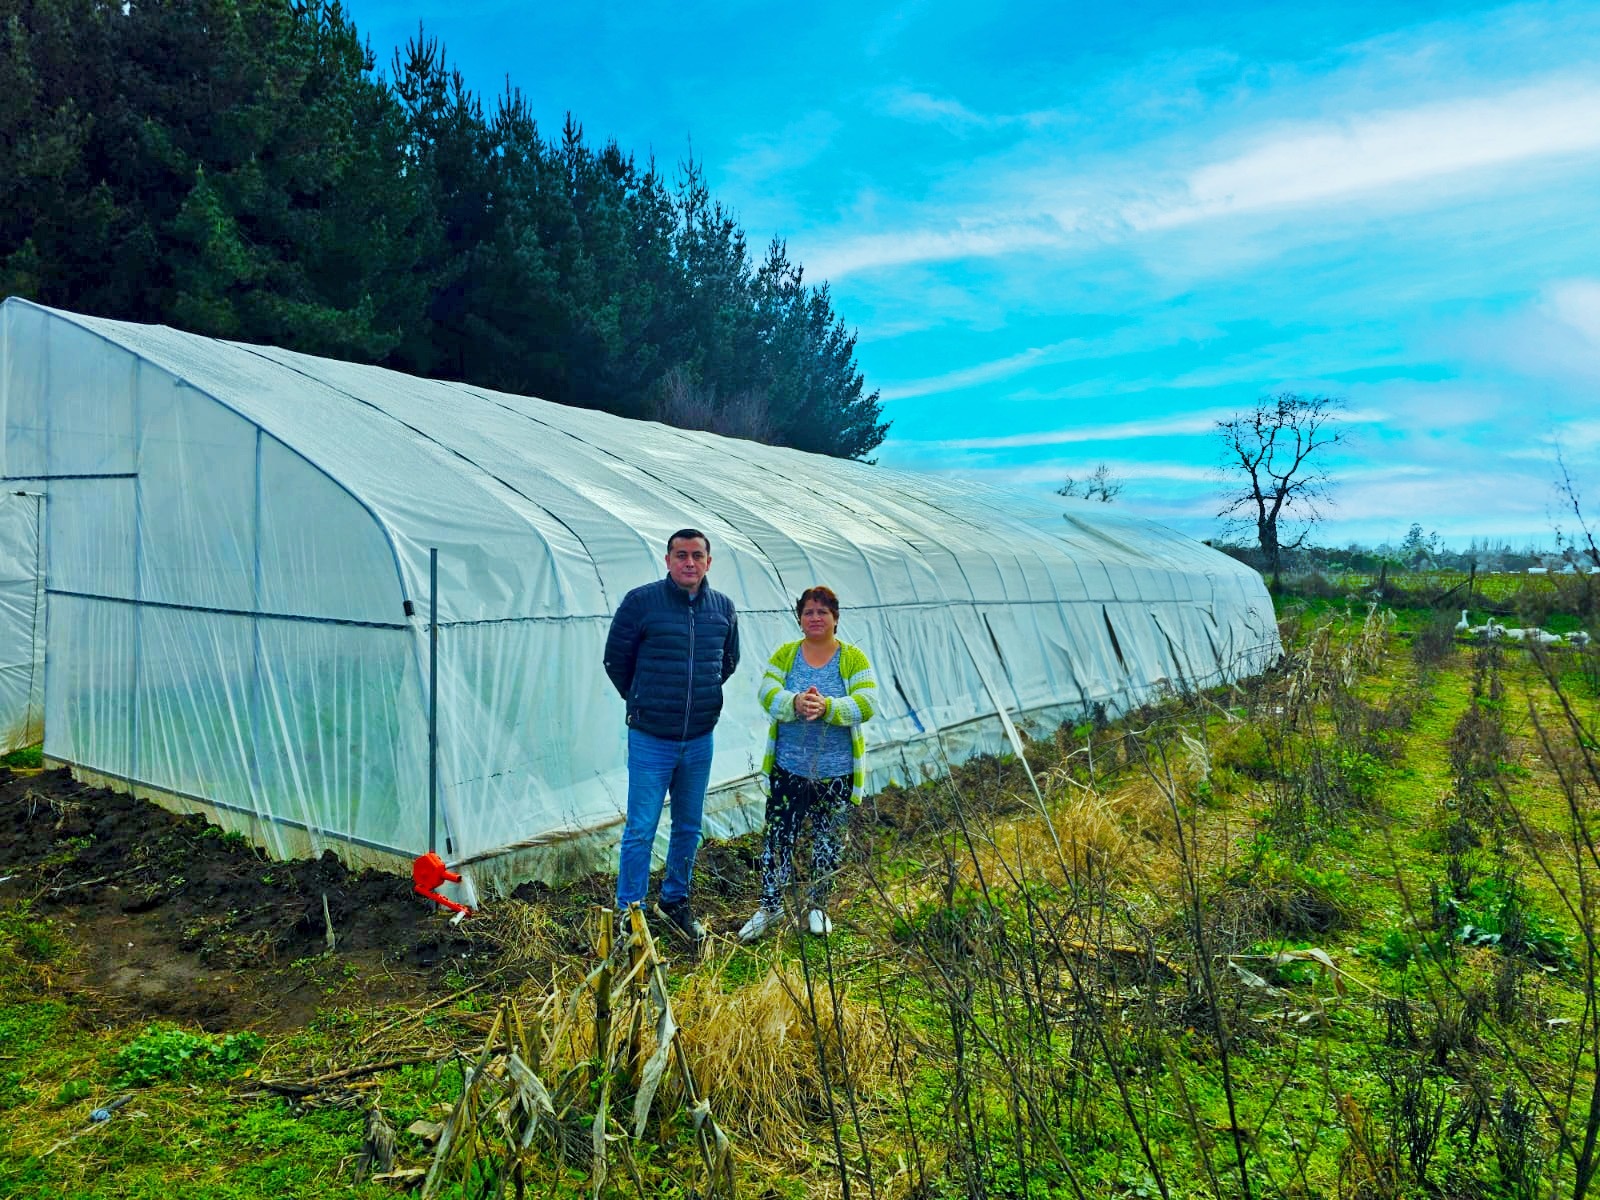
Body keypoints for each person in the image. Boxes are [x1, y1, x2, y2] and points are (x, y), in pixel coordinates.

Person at [604, 529, 740, 944]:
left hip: (699, 738)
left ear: (708, 562)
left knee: (688, 825)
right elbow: (616, 660)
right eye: (681, 555)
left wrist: (700, 703)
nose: (689, 563)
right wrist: (644, 700)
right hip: (651, 738)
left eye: (697, 555)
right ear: (667, 560)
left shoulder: (722, 608)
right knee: (642, 827)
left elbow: (728, 660)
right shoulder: (641, 602)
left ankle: (675, 900)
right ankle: (631, 911)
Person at [741, 586, 877, 942]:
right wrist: (795, 701)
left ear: (835, 617)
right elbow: (767, 692)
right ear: (799, 618)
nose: (815, 618)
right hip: (789, 768)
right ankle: (770, 907)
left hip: (835, 772)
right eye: (808, 612)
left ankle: (818, 907)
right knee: (778, 838)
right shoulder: (787, 655)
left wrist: (828, 707)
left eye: (822, 612)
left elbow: (867, 702)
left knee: (828, 841)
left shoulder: (853, 658)